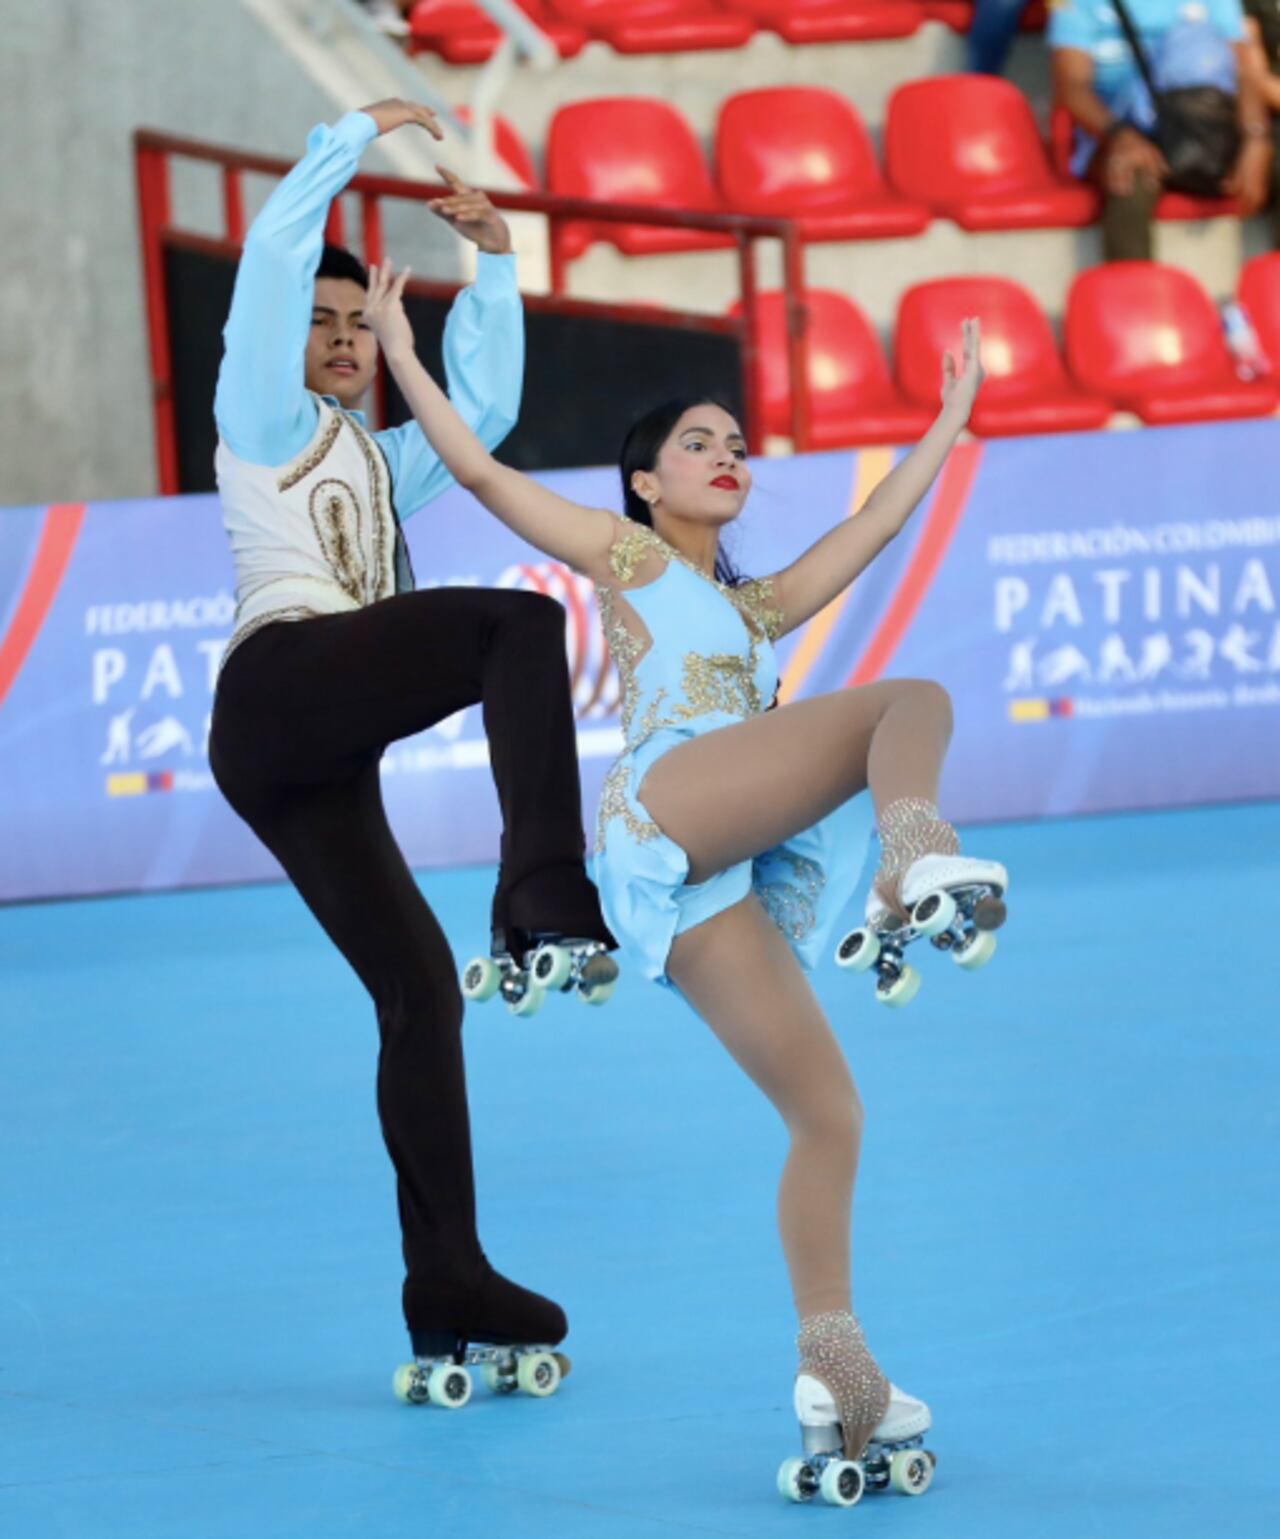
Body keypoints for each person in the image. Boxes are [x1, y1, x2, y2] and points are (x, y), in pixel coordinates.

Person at [359, 251, 1009, 1478]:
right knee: (902, 700)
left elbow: (869, 526)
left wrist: (946, 420)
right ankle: (912, 856)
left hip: (718, 885)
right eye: (698, 443)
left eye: (737, 444)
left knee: (828, 1115)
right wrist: (402, 353)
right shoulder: (633, 560)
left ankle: (836, 1364)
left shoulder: (757, 607)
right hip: (671, 809)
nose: (728, 455)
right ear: (646, 483)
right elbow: (483, 473)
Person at [207, 99, 615, 1381]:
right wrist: (337, 144)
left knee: (419, 993)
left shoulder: (384, 458)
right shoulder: (260, 422)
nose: (335, 342)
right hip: (279, 691)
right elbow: (275, 266)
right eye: (319, 326)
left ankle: (447, 1278)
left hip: (315, 749)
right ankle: (544, 890)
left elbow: (478, 412)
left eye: (352, 327)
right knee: (512, 628)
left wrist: (494, 262)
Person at [1051, 0, 1273, 260]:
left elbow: (1244, 70)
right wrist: (1121, 135)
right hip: (1123, 131)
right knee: (1129, 181)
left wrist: (1256, 140)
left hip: (1208, 129)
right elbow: (1073, 88)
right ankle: (1131, 295)